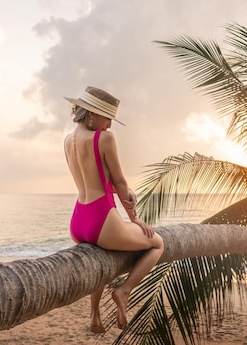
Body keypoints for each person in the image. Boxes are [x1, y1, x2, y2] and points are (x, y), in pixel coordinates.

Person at [63, 86, 164, 333]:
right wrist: (135, 219)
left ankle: (95, 317)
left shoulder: (68, 141)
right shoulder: (104, 139)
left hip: (78, 221)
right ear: (93, 115)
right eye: (108, 118)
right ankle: (124, 290)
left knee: (102, 261)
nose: (109, 125)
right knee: (157, 244)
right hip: (101, 220)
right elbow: (119, 182)